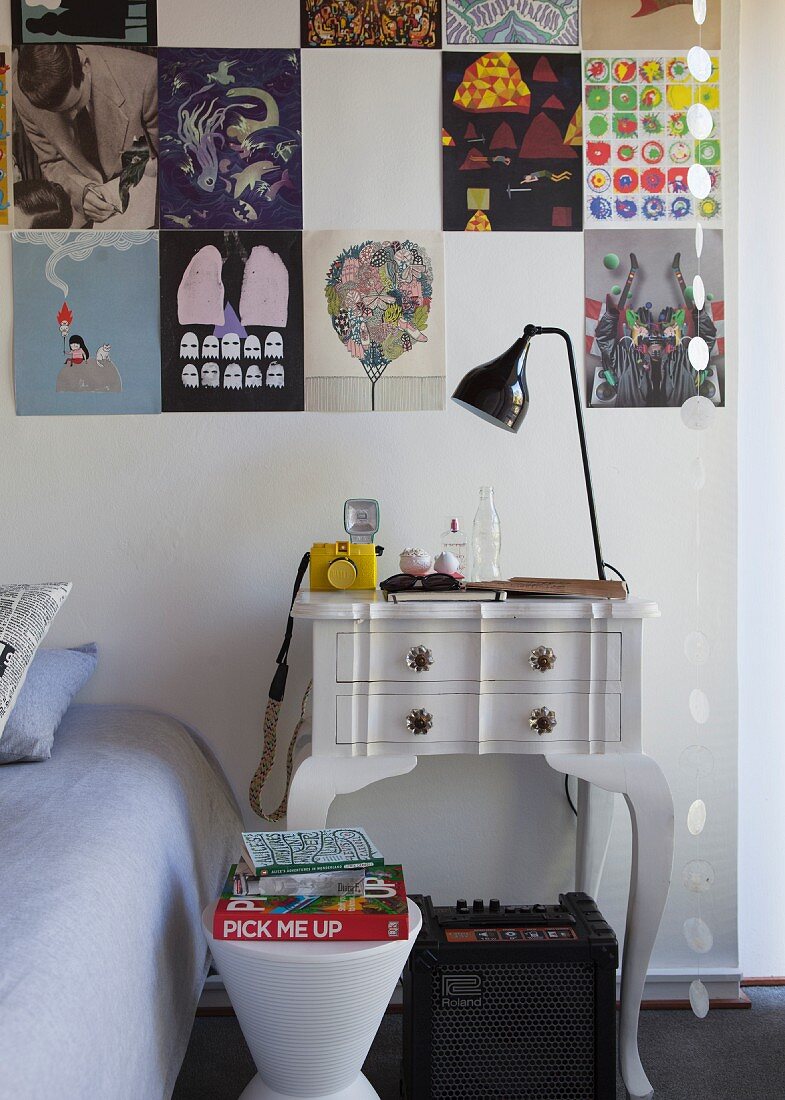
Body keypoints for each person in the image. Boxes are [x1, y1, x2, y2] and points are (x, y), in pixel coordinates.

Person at [13, 43, 158, 228]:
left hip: (144, 204)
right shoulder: (23, 92)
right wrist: (82, 192)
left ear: (85, 65)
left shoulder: (147, 75)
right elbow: (52, 161)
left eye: (75, 105)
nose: (72, 117)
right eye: (59, 113)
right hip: (79, 214)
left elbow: (168, 162)